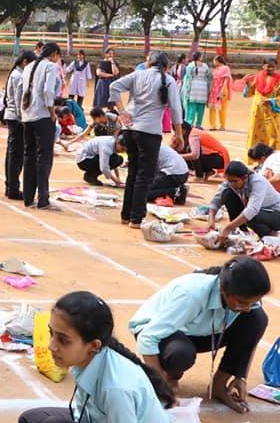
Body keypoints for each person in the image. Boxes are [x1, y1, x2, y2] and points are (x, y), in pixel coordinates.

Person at [129, 256, 271, 414]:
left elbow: (250, 334)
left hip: (200, 331)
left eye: (253, 302)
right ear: (223, 290)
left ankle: (219, 385)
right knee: (180, 352)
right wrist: (159, 381)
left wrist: (240, 375)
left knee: (257, 318)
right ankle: (169, 377)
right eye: (243, 303)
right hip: (158, 331)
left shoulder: (247, 297)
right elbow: (148, 337)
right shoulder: (192, 295)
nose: (247, 307)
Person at [18, 292, 173, 423]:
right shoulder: (88, 359)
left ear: (93, 345)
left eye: (63, 340)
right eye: (51, 333)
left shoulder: (116, 390)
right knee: (30, 419)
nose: (51, 346)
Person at [109, 52, 184, 228]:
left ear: (149, 63)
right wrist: (179, 134)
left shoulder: (138, 74)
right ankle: (136, 218)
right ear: (166, 67)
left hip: (130, 130)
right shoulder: (169, 81)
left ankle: (126, 215)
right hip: (149, 132)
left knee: (133, 173)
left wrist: (122, 112)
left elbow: (114, 86)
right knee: (144, 176)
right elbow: (175, 109)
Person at [19, 43, 62, 212]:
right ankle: (43, 199)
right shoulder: (50, 66)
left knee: (29, 155)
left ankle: (28, 197)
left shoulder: (28, 67)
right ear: (55, 54)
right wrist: (52, 112)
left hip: (27, 115)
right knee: (44, 157)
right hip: (42, 115)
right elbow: (48, 91)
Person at [206, 161, 280, 241]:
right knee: (227, 194)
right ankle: (242, 233)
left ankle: (270, 236)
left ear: (245, 177)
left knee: (252, 216)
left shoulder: (258, 182)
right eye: (229, 181)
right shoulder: (230, 182)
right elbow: (216, 201)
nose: (231, 184)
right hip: (260, 212)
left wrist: (228, 228)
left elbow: (252, 210)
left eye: (235, 181)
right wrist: (211, 219)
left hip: (275, 213)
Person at [1, 51, 35, 200]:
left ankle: (10, 186)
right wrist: (23, 119)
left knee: (12, 154)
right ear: (25, 62)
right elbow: (19, 99)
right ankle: (13, 188)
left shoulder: (16, 74)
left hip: (12, 117)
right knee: (16, 155)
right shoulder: (19, 76)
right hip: (16, 118)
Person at [243, 59, 280, 157]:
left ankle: (273, 159)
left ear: (276, 67)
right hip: (257, 112)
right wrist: (247, 83)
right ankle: (254, 158)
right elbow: (250, 92)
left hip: (271, 112)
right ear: (263, 66)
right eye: (268, 66)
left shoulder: (279, 79)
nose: (270, 68)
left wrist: (272, 101)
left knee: (273, 134)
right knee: (255, 133)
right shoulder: (258, 77)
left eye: (273, 66)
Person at [182, 52, 211, 129]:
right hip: (203, 89)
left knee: (191, 108)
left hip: (193, 88)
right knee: (201, 108)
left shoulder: (190, 66)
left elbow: (188, 77)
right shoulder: (205, 66)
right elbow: (208, 77)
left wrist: (186, 90)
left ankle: (190, 124)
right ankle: (198, 125)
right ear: (199, 57)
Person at [208, 55, 232, 131]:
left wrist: (222, 90)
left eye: (214, 61)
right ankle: (213, 125)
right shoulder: (216, 69)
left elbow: (226, 80)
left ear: (218, 61)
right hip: (214, 89)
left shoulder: (226, 68)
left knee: (222, 108)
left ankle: (222, 125)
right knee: (212, 107)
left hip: (222, 89)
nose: (213, 63)